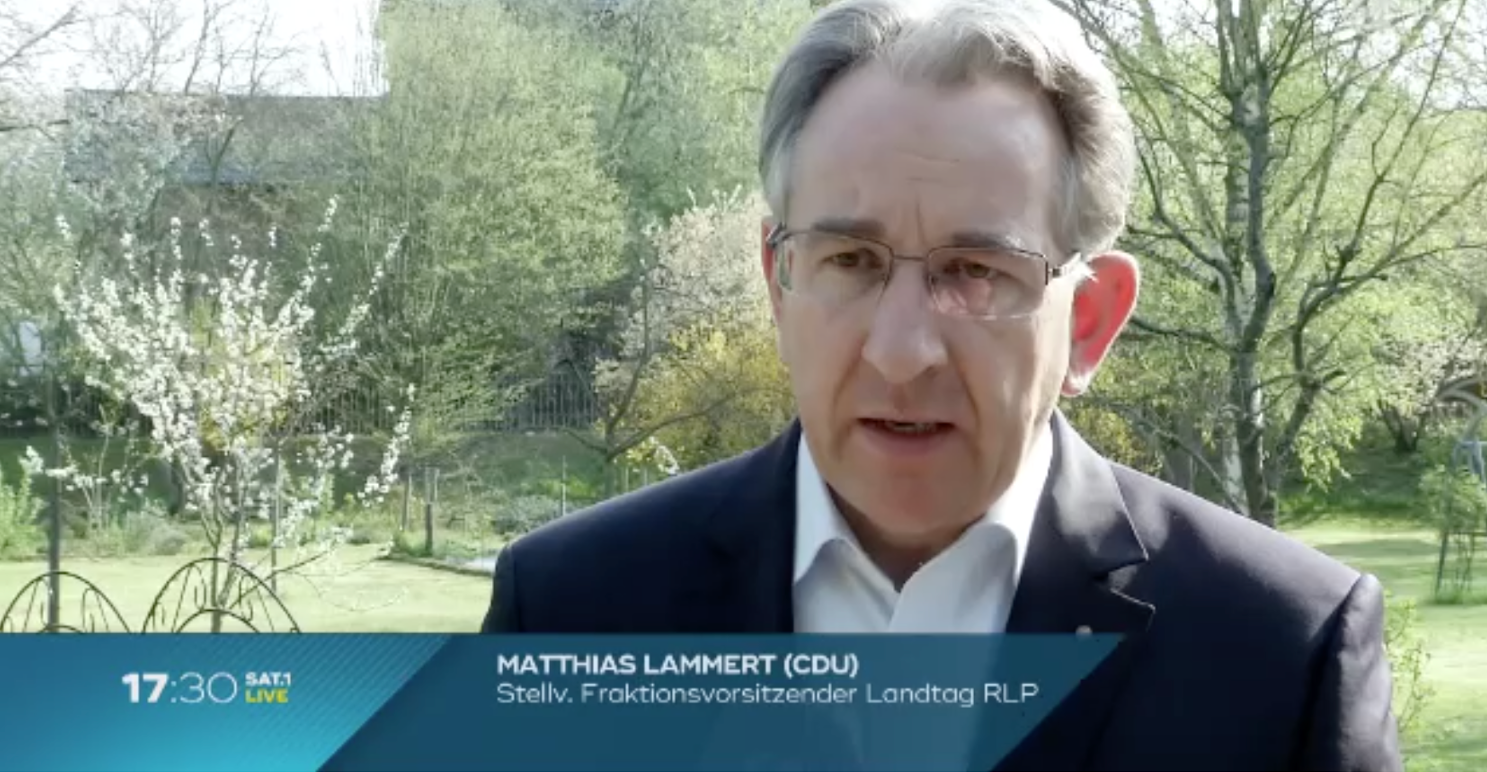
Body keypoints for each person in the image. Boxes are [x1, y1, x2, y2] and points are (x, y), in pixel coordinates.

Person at [481, 0, 1403, 769]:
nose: (901, 352)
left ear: (1088, 321)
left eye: (977, 271)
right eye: (849, 260)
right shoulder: (566, 612)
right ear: (777, 283)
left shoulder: (1281, 651)